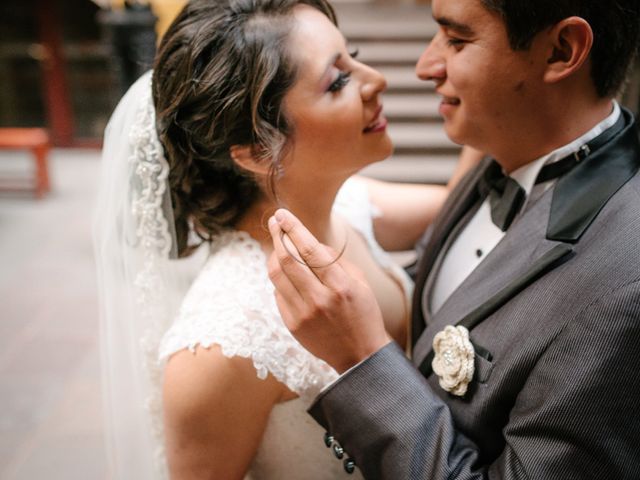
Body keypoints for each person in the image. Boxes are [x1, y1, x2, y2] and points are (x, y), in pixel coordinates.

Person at [93, 0, 482, 478]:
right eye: (338, 80)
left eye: (353, 55)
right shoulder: (222, 346)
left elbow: (459, 202)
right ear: (257, 150)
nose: (375, 80)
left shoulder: (351, 205)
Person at [268, 0, 640, 478]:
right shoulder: (498, 153)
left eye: (457, 40)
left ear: (561, 51)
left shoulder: (623, 287)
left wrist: (360, 356)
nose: (426, 66)